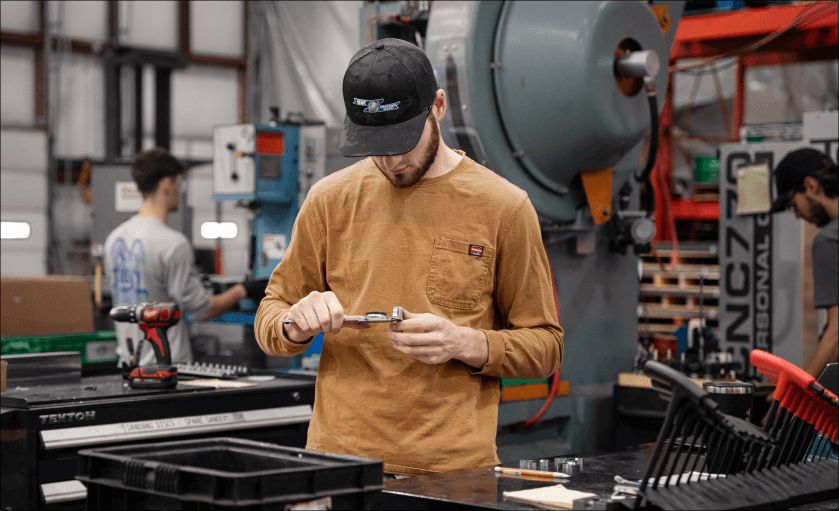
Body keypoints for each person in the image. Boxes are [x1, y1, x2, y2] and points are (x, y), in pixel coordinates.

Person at [255, 38, 564, 473]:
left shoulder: (503, 207)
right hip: (338, 464)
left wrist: (469, 343)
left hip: (451, 474)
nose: (391, 160)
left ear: (437, 106)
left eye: (403, 141)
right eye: (374, 144)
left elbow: (546, 347)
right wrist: (294, 323)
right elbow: (271, 315)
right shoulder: (329, 200)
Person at [105, 148, 264, 367]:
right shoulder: (172, 243)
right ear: (167, 184)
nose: (181, 191)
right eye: (181, 184)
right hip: (166, 366)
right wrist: (243, 289)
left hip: (129, 363)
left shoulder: (114, 240)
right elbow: (202, 309)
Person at [771, 148, 838, 379]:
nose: (798, 215)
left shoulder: (829, 240)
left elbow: (837, 331)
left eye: (793, 204)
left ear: (811, 186)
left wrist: (797, 390)